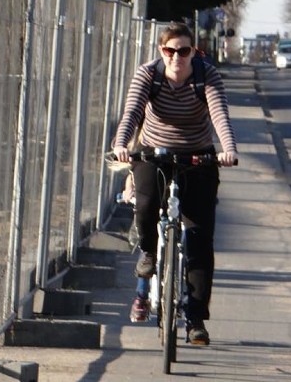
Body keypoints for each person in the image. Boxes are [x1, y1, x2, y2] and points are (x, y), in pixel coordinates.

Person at [112, 22, 238, 345]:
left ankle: (195, 318)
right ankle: (150, 254)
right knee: (147, 204)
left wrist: (228, 149)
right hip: (154, 153)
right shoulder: (148, 75)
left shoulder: (206, 75)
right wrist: (122, 144)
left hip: (199, 157)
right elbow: (132, 113)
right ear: (161, 51)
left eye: (184, 51)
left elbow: (219, 114)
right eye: (170, 51)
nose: (176, 57)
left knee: (199, 236)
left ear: (193, 52)